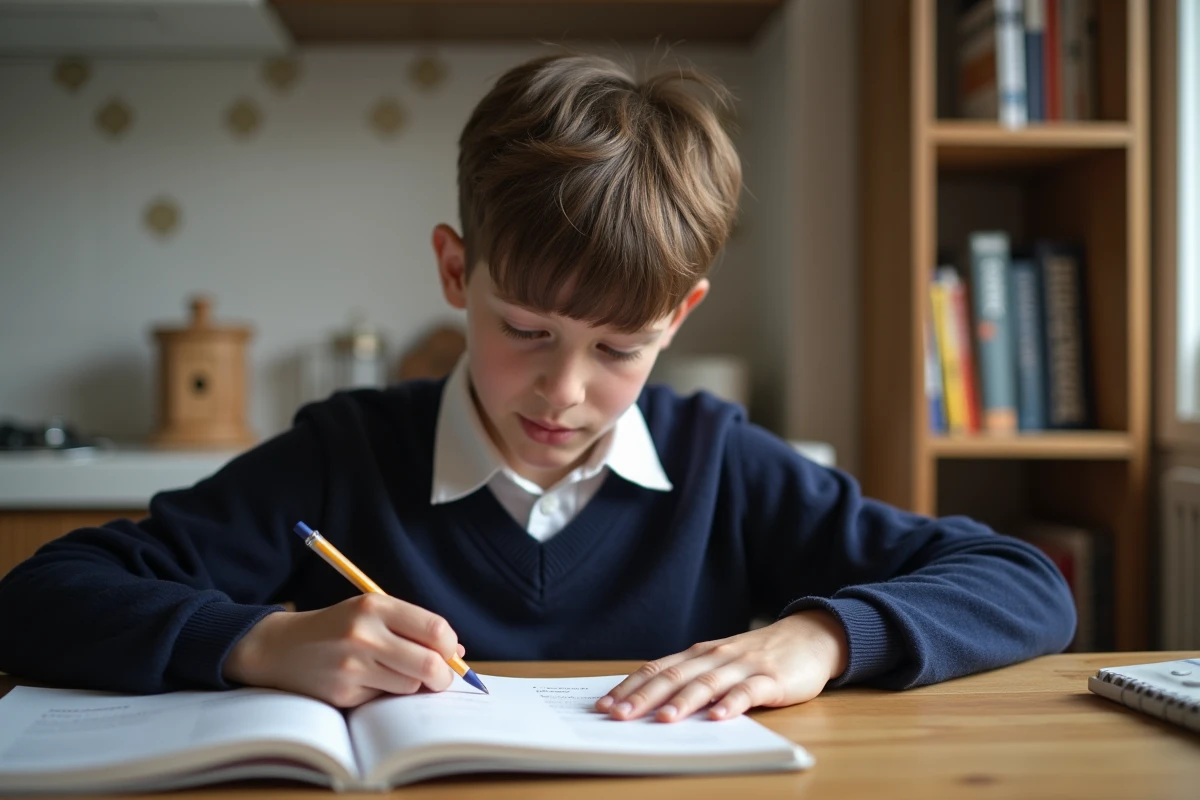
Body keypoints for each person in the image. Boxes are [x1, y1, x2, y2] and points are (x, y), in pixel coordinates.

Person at [0, 53, 1075, 723]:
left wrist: (817, 637)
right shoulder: (345, 454)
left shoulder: (717, 461)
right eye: (528, 330)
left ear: (681, 318)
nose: (564, 388)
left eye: (621, 348)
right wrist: (260, 639)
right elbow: (40, 597)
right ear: (455, 271)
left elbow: (1028, 584)